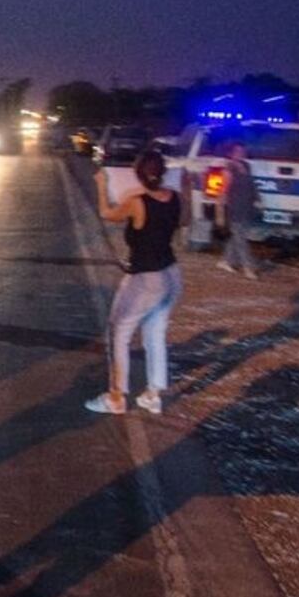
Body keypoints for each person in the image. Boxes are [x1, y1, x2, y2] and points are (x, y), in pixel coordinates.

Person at [86, 150, 182, 416]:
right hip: (171, 274)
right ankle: (153, 395)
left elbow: (107, 213)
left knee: (119, 332)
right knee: (155, 334)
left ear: (138, 174)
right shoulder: (174, 197)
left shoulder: (137, 202)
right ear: (163, 172)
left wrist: (102, 185)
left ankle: (115, 396)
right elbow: (181, 221)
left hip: (146, 278)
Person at [215, 141, 260, 280]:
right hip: (235, 207)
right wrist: (220, 210)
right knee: (241, 239)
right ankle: (248, 268)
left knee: (238, 236)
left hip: (247, 206)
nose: (240, 154)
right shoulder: (229, 169)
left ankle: (226, 261)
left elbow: (252, 185)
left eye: (242, 151)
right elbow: (223, 190)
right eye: (237, 151)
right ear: (231, 153)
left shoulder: (247, 166)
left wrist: (257, 199)